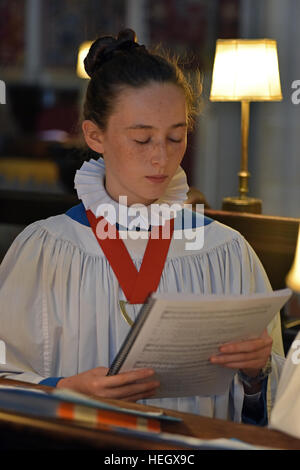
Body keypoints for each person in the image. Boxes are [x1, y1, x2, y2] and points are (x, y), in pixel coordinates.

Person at [0, 29, 285, 424]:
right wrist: (62, 388)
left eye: (176, 137)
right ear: (95, 135)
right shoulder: (45, 249)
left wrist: (256, 375)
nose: (162, 159)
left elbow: (277, 403)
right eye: (141, 138)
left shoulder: (226, 251)